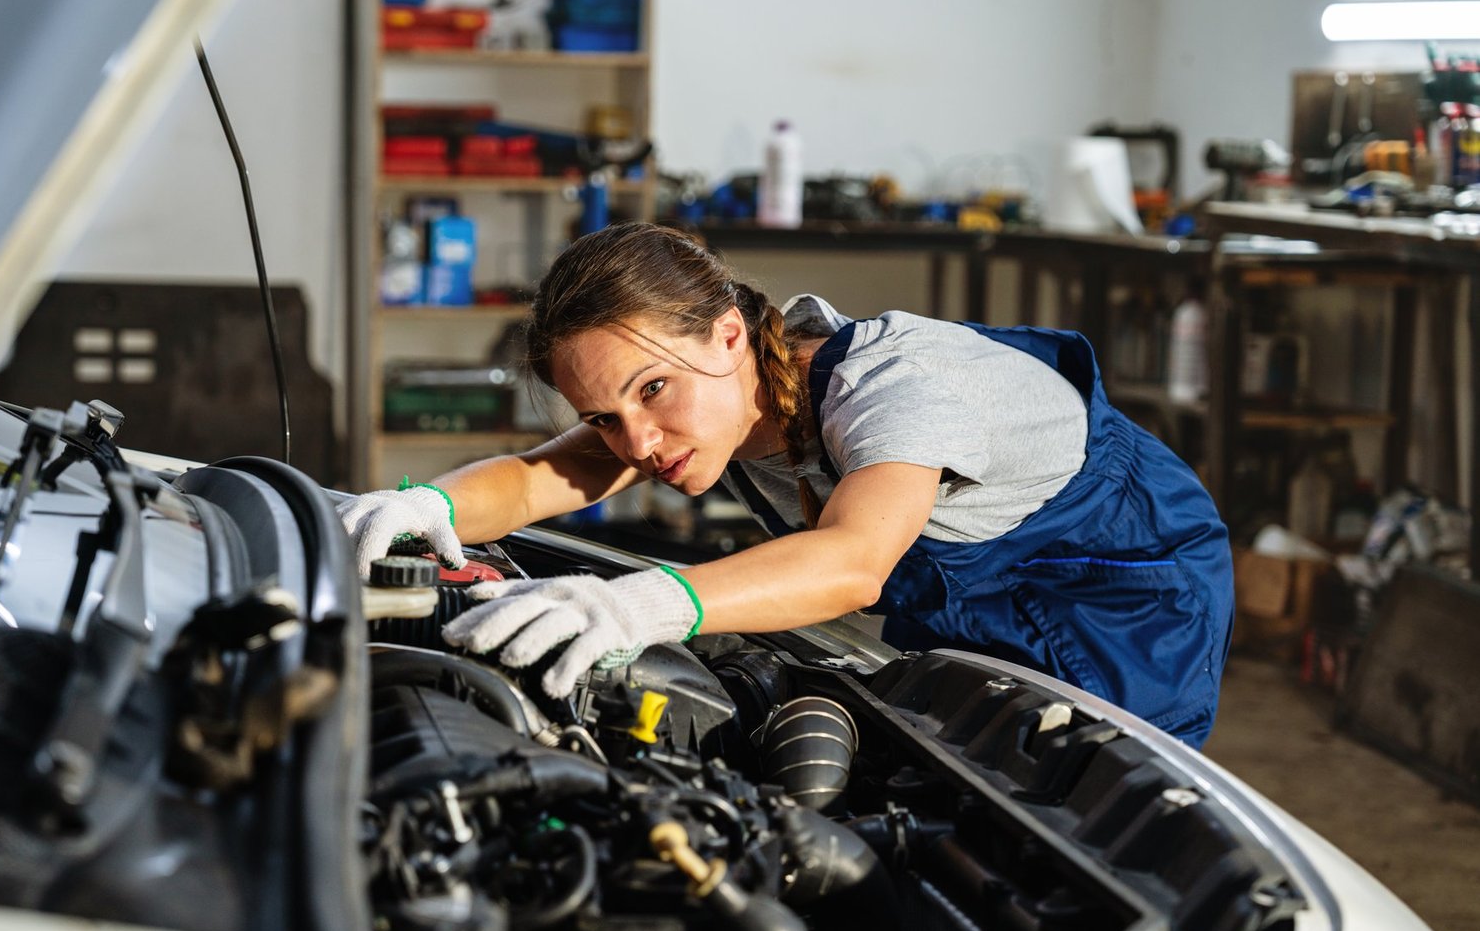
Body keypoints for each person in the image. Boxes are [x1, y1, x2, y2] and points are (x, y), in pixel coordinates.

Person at [338, 222, 1234, 747]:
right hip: (983, 595)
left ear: (729, 336)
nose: (638, 442)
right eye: (607, 415)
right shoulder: (731, 395)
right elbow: (541, 481)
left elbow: (852, 565)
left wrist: (637, 605)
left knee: (1095, 822)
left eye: (653, 390)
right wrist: (428, 505)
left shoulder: (892, 392)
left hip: (1122, 591)